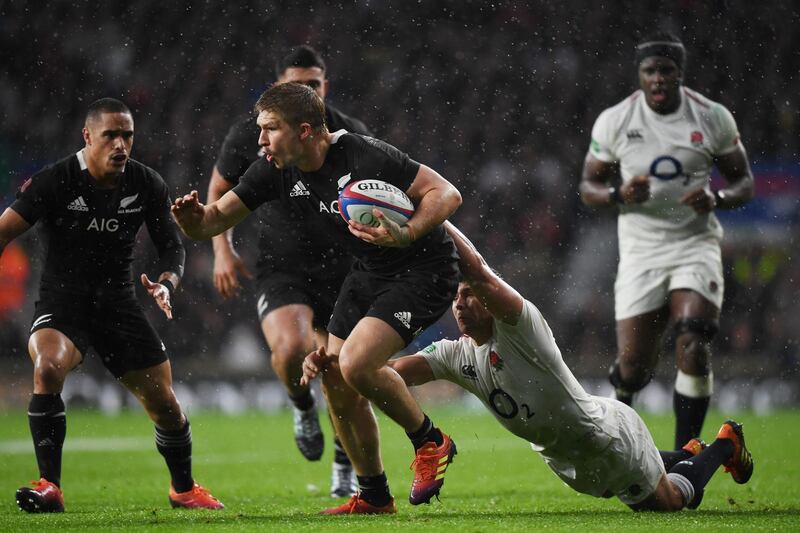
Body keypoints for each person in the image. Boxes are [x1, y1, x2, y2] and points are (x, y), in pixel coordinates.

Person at [304, 222, 754, 511]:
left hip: (606, 437)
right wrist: (339, 361)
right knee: (652, 480)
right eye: (455, 298)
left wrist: (430, 217)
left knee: (669, 501)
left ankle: (722, 445)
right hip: (566, 457)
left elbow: (478, 272)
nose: (459, 304)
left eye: (468, 297)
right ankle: (689, 454)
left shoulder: (522, 328)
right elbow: (389, 375)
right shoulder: (456, 354)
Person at [172, 82, 461, 514]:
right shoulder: (272, 168)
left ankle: (431, 440)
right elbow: (212, 221)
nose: (260, 140)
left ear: (305, 131)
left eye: (270, 129)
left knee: (357, 364)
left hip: (423, 271)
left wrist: (410, 230)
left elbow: (447, 193)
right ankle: (374, 496)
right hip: (367, 273)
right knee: (338, 383)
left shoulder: (364, 154)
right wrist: (191, 221)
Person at [0, 98, 223, 512]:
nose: (121, 145)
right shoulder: (55, 180)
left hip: (119, 305)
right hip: (63, 303)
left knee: (165, 405)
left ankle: (184, 488)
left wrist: (166, 284)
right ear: (88, 137)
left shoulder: (146, 182)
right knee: (47, 367)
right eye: (111, 136)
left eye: (128, 136)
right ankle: (50, 484)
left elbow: (172, 246)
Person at [207, 45, 371, 497]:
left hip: (343, 270)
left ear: (326, 86)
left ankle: (344, 463)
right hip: (283, 265)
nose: (307, 91)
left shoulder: (350, 134)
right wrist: (223, 249)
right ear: (279, 86)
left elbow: (374, 195)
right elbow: (219, 190)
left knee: (341, 376)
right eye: (296, 84)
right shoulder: (254, 132)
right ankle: (301, 405)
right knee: (292, 347)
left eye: (314, 84)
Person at [578, 32, 755, 448]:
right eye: (650, 71)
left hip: (695, 243)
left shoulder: (711, 117)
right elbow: (588, 186)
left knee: (693, 339)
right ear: (640, 75)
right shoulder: (616, 120)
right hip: (641, 249)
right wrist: (618, 194)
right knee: (634, 368)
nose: (657, 78)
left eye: (666, 71)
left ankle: (685, 456)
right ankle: (622, 408)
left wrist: (718, 198)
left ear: (679, 74)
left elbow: (743, 180)